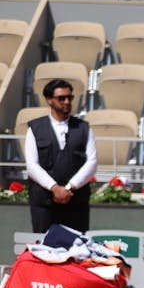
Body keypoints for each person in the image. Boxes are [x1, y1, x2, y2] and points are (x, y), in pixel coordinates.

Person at [24, 79, 97, 233]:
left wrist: (69, 188)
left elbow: (92, 162)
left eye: (69, 98)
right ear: (49, 100)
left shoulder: (84, 128)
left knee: (77, 250)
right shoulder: (35, 128)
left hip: (76, 201)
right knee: (43, 249)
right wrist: (54, 188)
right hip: (44, 202)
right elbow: (32, 165)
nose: (66, 102)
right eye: (61, 98)